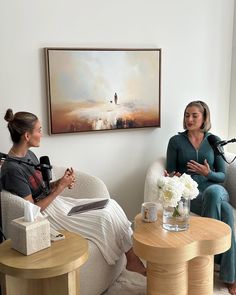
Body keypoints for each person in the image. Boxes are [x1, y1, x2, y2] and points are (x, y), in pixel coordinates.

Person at [1, 108, 146, 276]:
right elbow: (33, 211)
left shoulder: (30, 155)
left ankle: (132, 259)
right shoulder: (12, 169)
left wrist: (61, 181)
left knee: (111, 204)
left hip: (57, 204)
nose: (41, 134)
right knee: (105, 217)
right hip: (48, 216)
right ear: (27, 136)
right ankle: (133, 261)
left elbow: (42, 189)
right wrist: (60, 188)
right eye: (39, 130)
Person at [165, 100, 236, 295]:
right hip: (190, 194)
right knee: (228, 213)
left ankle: (206, 257)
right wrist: (174, 177)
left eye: (194, 115)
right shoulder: (175, 141)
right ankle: (230, 276)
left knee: (213, 193)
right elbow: (170, 171)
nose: (189, 119)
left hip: (215, 190)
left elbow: (222, 176)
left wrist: (207, 173)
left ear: (204, 117)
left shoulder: (214, 140)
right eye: (187, 115)